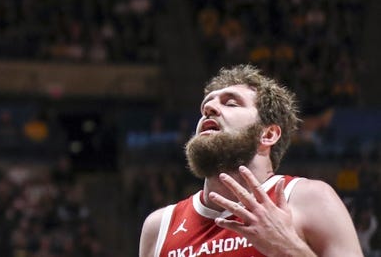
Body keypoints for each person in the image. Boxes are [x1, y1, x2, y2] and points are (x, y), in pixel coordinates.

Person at [138, 64, 362, 257]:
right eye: (206, 105)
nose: (208, 108)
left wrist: (289, 249)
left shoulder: (309, 198)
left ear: (268, 134)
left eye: (231, 103)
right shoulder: (159, 227)